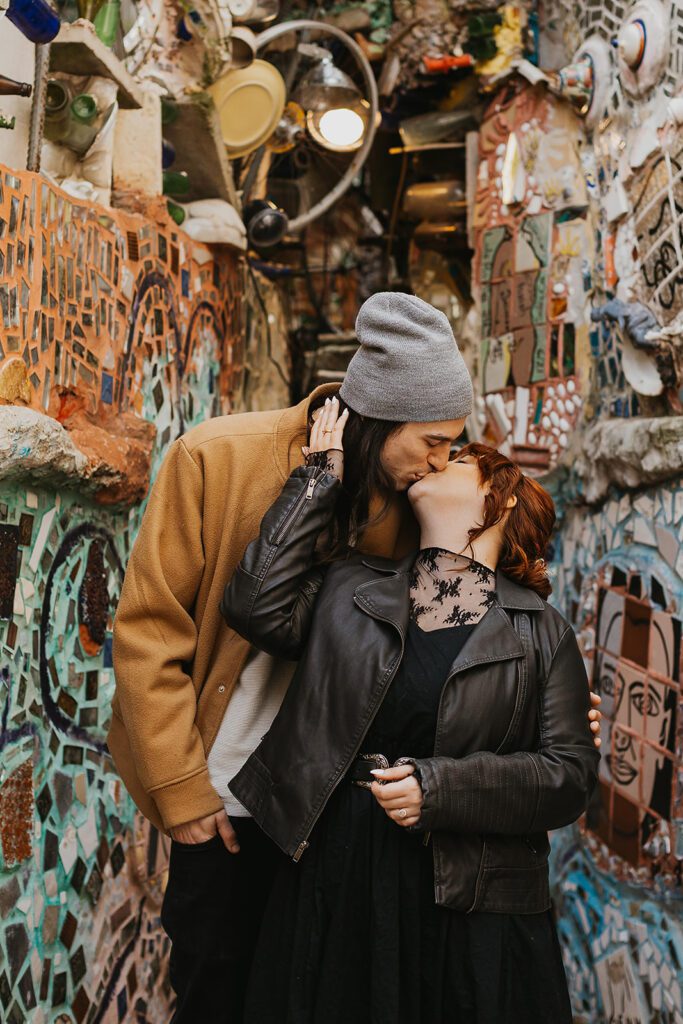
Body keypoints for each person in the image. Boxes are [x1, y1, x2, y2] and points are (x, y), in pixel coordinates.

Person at [109, 292, 601, 1022]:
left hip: (339, 827)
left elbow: (449, 641)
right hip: (229, 804)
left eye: (451, 445)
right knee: (215, 993)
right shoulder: (218, 458)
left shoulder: (415, 503)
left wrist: (546, 705)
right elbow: (152, 628)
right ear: (376, 415)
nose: (442, 459)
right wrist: (181, 793)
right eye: (432, 439)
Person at [221, 400, 600, 1024]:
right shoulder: (349, 587)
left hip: (469, 900)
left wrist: (439, 788)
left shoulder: (542, 632)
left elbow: (569, 777)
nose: (439, 461)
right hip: (338, 876)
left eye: (460, 459)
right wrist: (318, 478)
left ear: (498, 504)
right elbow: (255, 606)